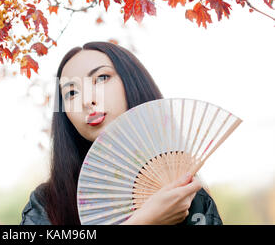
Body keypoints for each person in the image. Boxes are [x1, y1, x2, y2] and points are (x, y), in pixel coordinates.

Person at [20, 41, 223, 225]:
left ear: (132, 83)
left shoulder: (188, 199)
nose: (86, 100)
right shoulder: (47, 204)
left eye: (101, 78)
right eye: (71, 92)